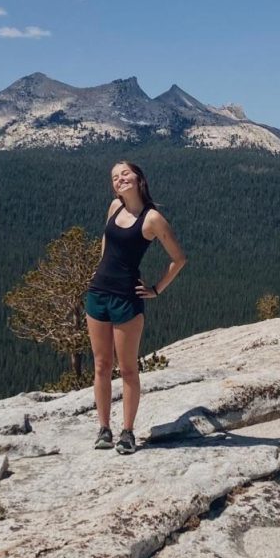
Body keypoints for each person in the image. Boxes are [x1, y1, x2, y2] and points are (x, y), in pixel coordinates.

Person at [86, 161, 187, 454]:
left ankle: (127, 432)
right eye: (115, 177)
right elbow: (107, 239)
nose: (120, 180)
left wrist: (156, 288)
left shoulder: (152, 218)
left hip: (127, 298)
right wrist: (100, 267)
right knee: (102, 366)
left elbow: (178, 258)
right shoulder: (113, 207)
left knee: (128, 369)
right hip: (97, 294)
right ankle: (104, 429)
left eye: (125, 174)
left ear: (139, 177)